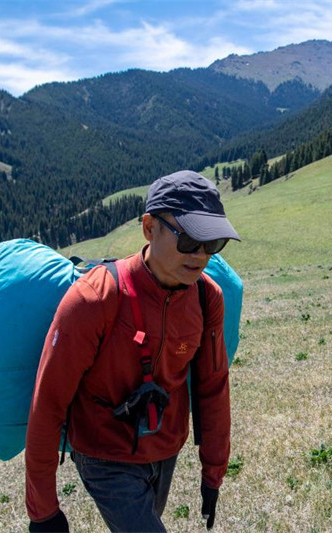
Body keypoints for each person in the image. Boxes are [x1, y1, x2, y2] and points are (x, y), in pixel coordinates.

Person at [25, 170, 241, 532]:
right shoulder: (96, 298)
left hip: (165, 448)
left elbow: (213, 387)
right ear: (149, 227)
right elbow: (48, 401)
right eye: (189, 239)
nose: (201, 255)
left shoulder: (207, 298)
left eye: (213, 243)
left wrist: (214, 472)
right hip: (103, 452)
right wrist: (42, 511)